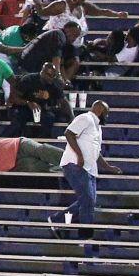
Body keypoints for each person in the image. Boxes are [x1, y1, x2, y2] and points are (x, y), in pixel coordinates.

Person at [48, 101, 122, 239]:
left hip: (89, 168)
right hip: (76, 164)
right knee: (87, 200)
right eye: (106, 113)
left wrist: (107, 167)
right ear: (100, 111)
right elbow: (69, 133)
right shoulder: (85, 118)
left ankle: (57, 220)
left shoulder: (97, 128)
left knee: (88, 202)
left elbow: (96, 151)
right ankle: (85, 236)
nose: (107, 116)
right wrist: (79, 155)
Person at [42, 0, 128, 46]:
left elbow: (102, 12)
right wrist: (36, 3)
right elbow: (42, 13)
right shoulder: (61, 5)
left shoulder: (84, 6)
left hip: (74, 48)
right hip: (53, 44)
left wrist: (117, 14)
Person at [7, 62, 72, 138]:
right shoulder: (29, 79)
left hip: (40, 110)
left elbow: (63, 101)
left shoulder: (53, 84)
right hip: (23, 108)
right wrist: (28, 103)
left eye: (53, 76)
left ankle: (41, 141)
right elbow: (13, 98)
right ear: (42, 73)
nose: (51, 78)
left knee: (50, 117)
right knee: (18, 118)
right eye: (49, 75)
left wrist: (72, 116)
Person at [17, 23, 82, 82]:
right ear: (65, 28)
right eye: (72, 32)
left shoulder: (61, 39)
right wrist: (58, 78)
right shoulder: (59, 35)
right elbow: (56, 59)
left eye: (76, 35)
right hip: (28, 69)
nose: (74, 37)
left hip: (29, 67)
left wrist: (65, 79)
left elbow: (60, 63)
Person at [0, 136, 64, 173]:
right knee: (35, 167)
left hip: (17, 146)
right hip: (12, 165)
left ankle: (72, 160)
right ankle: (66, 170)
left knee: (42, 150)